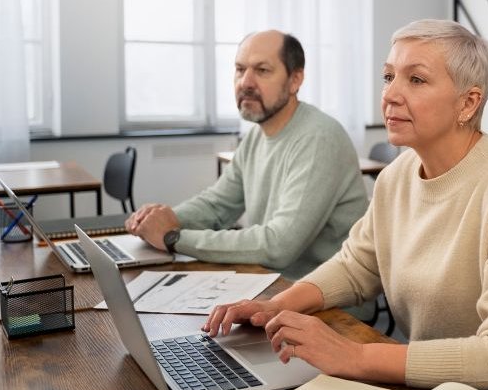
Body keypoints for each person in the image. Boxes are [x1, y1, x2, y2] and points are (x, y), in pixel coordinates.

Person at [201, 20, 488, 390]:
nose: (390, 94)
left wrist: (355, 356)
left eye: (417, 80)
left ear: (468, 104)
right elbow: (358, 265)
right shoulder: (397, 175)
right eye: (389, 76)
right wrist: (275, 306)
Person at [125, 30, 368, 284]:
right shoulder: (255, 136)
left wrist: (173, 238)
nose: (246, 82)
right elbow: (217, 205)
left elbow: (278, 245)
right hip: (271, 285)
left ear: (295, 80)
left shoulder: (319, 137)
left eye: (262, 70)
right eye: (240, 70)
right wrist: (164, 220)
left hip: (328, 308)